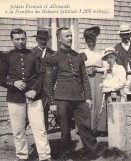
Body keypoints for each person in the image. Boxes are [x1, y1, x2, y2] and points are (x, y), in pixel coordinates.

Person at [0, 28, 52, 161]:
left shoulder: (34, 55)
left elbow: (41, 75)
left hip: (34, 98)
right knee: (18, 130)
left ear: (26, 39)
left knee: (39, 129)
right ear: (12, 40)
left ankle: (45, 156)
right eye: (17, 39)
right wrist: (13, 83)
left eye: (23, 39)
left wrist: (35, 90)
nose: (20, 42)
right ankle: (22, 156)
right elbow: (0, 78)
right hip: (15, 98)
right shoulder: (7, 56)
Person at [44, 27, 98, 160]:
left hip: (79, 98)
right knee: (65, 128)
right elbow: (49, 83)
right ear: (59, 38)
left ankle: (91, 152)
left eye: (71, 36)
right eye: (67, 36)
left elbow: (84, 78)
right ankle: (67, 153)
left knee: (85, 125)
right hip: (62, 98)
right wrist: (52, 102)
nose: (70, 38)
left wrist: (88, 97)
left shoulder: (77, 56)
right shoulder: (54, 57)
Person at [80, 26, 107, 134]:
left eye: (93, 41)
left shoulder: (100, 53)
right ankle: (88, 127)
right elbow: (79, 68)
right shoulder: (82, 53)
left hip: (98, 78)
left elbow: (106, 67)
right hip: (87, 80)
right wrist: (86, 71)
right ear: (86, 41)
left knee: (99, 101)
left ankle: (99, 127)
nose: (91, 44)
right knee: (89, 101)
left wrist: (97, 69)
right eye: (89, 41)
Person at [31, 29, 55, 130]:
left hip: (48, 88)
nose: (43, 41)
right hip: (35, 88)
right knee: (34, 112)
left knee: (45, 111)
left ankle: (44, 134)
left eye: (45, 39)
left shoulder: (53, 54)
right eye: (41, 39)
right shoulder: (31, 53)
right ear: (37, 39)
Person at [99, 47, 126, 129]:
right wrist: (103, 85)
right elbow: (106, 81)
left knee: (115, 114)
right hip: (106, 95)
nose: (109, 60)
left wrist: (110, 88)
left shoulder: (120, 68)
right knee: (109, 116)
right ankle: (111, 134)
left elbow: (122, 83)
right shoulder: (106, 70)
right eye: (107, 58)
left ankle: (118, 133)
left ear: (115, 57)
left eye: (111, 57)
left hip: (114, 94)